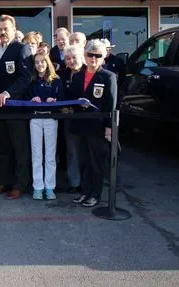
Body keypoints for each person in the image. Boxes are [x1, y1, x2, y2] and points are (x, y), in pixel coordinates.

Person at [67, 39, 117, 207]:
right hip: (80, 124)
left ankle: (95, 194)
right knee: (82, 160)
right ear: (85, 56)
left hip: (98, 127)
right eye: (90, 55)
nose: (93, 59)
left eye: (98, 56)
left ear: (103, 57)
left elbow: (112, 104)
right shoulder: (78, 76)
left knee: (96, 162)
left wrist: (109, 127)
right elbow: (71, 98)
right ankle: (84, 191)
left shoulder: (108, 76)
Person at [0, 15, 33, 200]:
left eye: (6, 28)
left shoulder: (22, 49)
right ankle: (4, 181)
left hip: (15, 107)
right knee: (2, 147)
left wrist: (8, 93)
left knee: (19, 148)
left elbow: (25, 78)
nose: (2, 32)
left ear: (14, 30)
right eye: (0, 29)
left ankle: (20, 184)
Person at [27, 52, 63, 200]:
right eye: (37, 62)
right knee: (36, 154)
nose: (40, 65)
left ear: (47, 63)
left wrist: (54, 100)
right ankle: (38, 187)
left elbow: (62, 98)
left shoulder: (56, 80)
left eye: (42, 62)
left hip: (50, 118)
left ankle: (49, 187)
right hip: (35, 118)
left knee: (50, 155)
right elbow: (26, 98)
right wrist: (32, 99)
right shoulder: (32, 80)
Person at [58, 46, 85, 193]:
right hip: (68, 118)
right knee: (72, 151)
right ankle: (75, 183)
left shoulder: (89, 72)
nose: (71, 61)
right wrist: (61, 108)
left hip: (87, 118)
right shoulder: (61, 74)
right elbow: (57, 93)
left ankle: (88, 181)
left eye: (74, 57)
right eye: (68, 58)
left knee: (87, 151)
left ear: (81, 56)